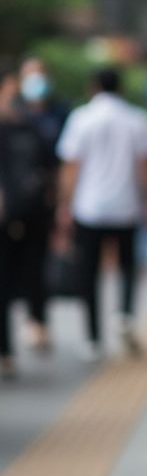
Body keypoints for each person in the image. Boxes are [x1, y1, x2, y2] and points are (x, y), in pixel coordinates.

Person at [55, 67, 147, 360]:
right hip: (127, 207)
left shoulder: (81, 118)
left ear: (93, 87)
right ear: (120, 88)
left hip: (89, 208)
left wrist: (64, 204)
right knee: (128, 266)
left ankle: (92, 338)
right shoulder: (137, 119)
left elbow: (71, 166)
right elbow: (146, 165)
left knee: (88, 273)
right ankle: (124, 314)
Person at [0, 65, 54, 379]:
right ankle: (5, 351)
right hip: (5, 218)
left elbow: (49, 168)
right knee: (3, 284)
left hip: (34, 214)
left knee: (34, 273)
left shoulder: (34, 128)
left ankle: (37, 323)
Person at [17, 57, 69, 351]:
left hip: (43, 202)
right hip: (13, 203)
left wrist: (62, 201)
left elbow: (64, 161)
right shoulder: (13, 113)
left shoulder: (59, 114)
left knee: (37, 263)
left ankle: (37, 320)